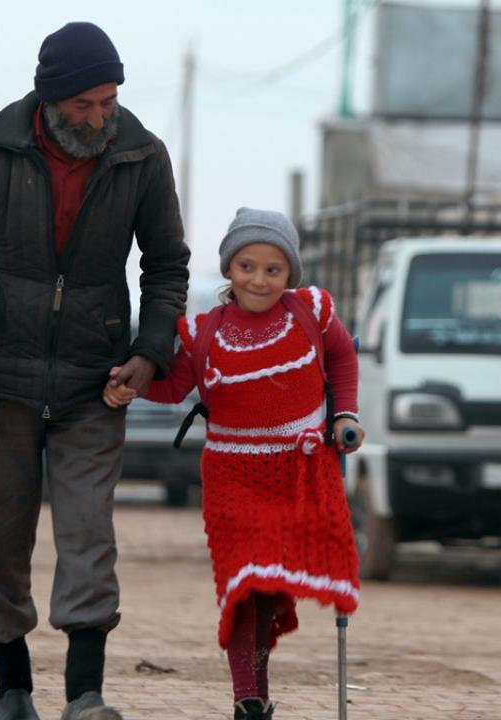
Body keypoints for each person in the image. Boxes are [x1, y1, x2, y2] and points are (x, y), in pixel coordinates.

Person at [0, 21, 189, 720]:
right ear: (49, 98)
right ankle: (11, 691)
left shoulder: (141, 156)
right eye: (85, 106)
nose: (100, 118)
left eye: (109, 101)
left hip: (94, 380)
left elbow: (166, 268)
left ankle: (85, 697)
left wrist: (148, 351)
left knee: (88, 537)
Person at [105, 208, 364, 720]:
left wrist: (346, 414)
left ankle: (257, 694)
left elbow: (343, 358)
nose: (259, 279)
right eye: (247, 266)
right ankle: (246, 698)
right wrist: (127, 386)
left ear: (290, 274)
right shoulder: (206, 331)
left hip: (297, 472)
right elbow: (176, 385)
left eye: (273, 269)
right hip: (231, 478)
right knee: (243, 584)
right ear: (229, 269)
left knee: (267, 584)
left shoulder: (313, 311)